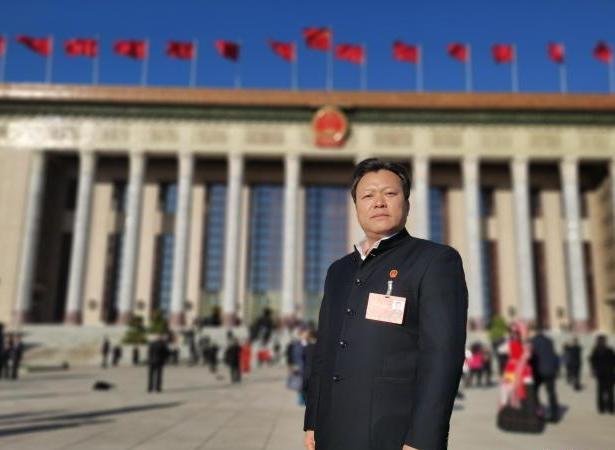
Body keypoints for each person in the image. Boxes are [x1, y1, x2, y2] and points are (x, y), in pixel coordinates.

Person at [303, 159, 468, 450]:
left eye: (390, 193)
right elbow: (324, 351)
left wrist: (423, 439)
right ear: (356, 207)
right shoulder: (339, 270)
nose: (378, 202)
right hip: (332, 432)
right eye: (368, 195)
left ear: (407, 203)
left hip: (392, 434)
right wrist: (313, 421)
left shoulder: (434, 261)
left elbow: (443, 358)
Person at [497, 321, 543, 433]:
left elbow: (528, 356)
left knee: (525, 398)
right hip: (512, 372)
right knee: (509, 396)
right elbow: (500, 350)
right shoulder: (512, 344)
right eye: (511, 332)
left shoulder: (526, 344)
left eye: (516, 332)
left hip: (523, 373)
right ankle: (512, 423)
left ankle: (527, 424)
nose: (513, 334)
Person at [530, 328, 561, 422]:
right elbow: (554, 355)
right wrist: (556, 368)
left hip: (538, 371)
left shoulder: (532, 341)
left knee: (533, 392)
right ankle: (554, 415)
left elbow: (532, 356)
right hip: (550, 370)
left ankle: (538, 412)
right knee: (551, 393)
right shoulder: (549, 341)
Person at [589, 335, 615, 414]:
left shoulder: (597, 350)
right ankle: (609, 408)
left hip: (603, 374)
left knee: (602, 391)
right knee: (609, 392)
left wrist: (594, 370)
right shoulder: (608, 350)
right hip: (607, 373)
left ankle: (602, 408)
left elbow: (592, 361)